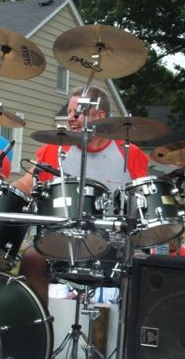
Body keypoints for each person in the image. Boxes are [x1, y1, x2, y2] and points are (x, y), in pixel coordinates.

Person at [13, 86, 149, 303]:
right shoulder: (56, 148)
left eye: (78, 112)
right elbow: (24, 185)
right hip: (60, 239)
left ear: (100, 115)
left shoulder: (129, 154)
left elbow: (144, 203)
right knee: (31, 258)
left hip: (113, 244)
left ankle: (125, 333)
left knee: (143, 266)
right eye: (68, 112)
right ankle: (40, 325)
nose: (70, 118)